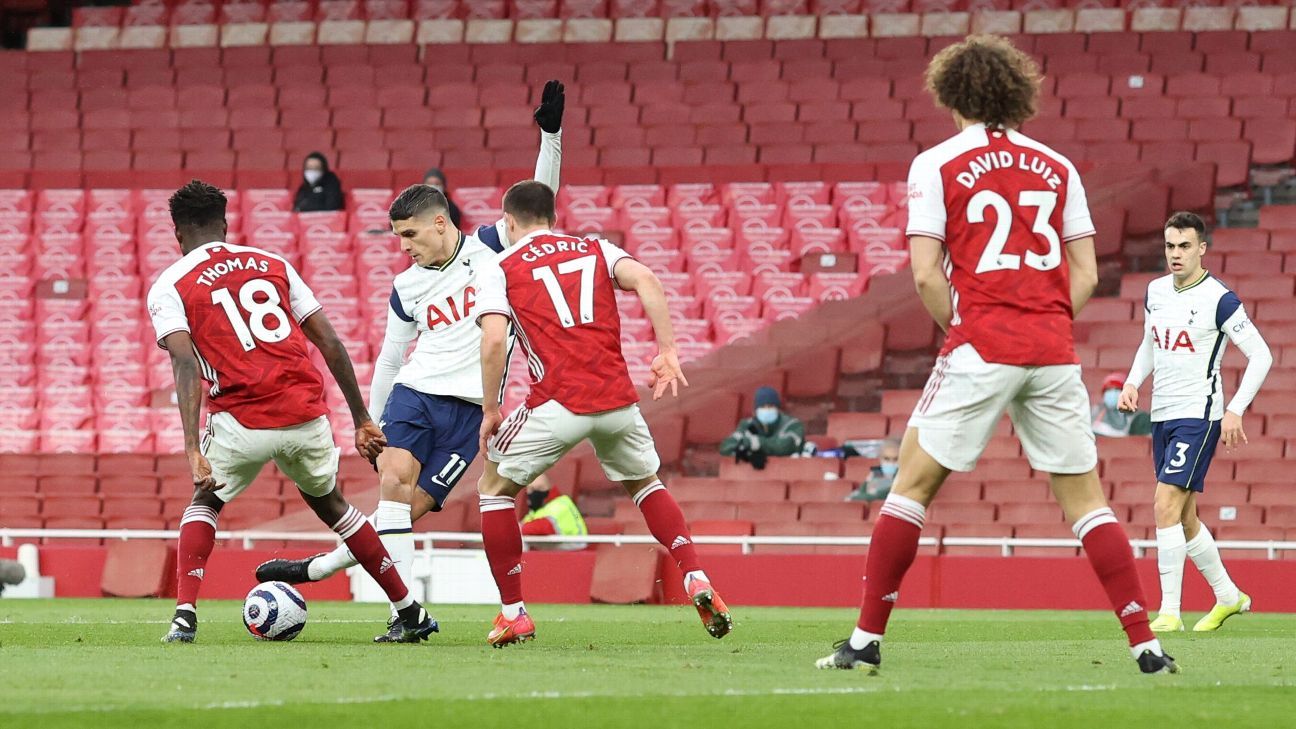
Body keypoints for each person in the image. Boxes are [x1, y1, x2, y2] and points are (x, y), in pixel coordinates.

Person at [816, 35, 1175, 675]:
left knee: (911, 485)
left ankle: (865, 642)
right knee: (1087, 501)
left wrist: (971, 326)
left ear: (950, 93)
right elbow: (1085, 271)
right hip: (1053, 349)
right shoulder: (1057, 166)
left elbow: (927, 276)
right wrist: (1043, 320)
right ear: (1017, 92)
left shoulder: (937, 163)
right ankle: (1146, 647)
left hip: (980, 343)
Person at [255, 80, 566, 642]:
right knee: (393, 486)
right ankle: (407, 614)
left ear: (443, 222)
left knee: (410, 508)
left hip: (470, 411)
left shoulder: (492, 248)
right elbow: (392, 356)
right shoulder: (405, 285)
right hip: (415, 396)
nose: (404, 246)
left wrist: (551, 135)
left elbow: (539, 202)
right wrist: (367, 419)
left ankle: (316, 569)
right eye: (399, 237)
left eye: (411, 234)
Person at [147, 180, 435, 644]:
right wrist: (361, 418)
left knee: (206, 503)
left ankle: (184, 615)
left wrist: (190, 449)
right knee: (336, 508)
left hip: (240, 421)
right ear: (224, 224)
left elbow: (183, 360)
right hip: (304, 415)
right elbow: (329, 341)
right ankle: (408, 610)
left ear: (177, 234)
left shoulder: (169, 284)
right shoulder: (272, 264)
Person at [474, 180, 732, 647]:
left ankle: (514, 612)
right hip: (617, 400)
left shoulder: (500, 265)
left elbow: (494, 339)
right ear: (551, 217)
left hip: (556, 400)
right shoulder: (596, 247)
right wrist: (668, 351)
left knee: (493, 490)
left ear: (508, 222)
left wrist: (491, 409)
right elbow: (648, 281)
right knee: (645, 484)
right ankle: (694, 574)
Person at [1119, 211, 1271, 633]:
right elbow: (1151, 341)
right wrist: (1133, 382)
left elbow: (1261, 355)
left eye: (1185, 246)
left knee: (1163, 502)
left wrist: (1235, 409)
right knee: (1185, 517)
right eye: (1170, 246)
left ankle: (1169, 610)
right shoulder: (1155, 291)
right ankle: (1228, 596)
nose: (1175, 254)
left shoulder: (1220, 300)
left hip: (1198, 416)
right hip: (1163, 415)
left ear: (1202, 248)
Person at [718, 386, 805, 469]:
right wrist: (749, 455)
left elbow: (784, 447)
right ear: (756, 410)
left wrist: (755, 443)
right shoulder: (748, 425)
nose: (766, 410)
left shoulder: (792, 424)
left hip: (784, 471)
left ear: (778, 409)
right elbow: (726, 446)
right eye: (762, 407)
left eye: (770, 406)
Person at [520, 474, 588, 550]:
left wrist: (519, 528)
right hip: (557, 553)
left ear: (548, 488)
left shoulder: (561, 504)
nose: (532, 493)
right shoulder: (537, 510)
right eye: (530, 489)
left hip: (575, 553)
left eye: (538, 488)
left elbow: (545, 527)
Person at [1092, 372, 1151, 437]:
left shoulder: (1139, 419)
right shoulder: (1094, 412)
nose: (1112, 393)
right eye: (1108, 390)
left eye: (1117, 389)